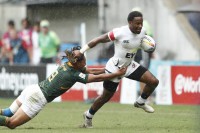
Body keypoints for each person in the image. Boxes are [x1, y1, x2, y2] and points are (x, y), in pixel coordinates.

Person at [0, 46, 127, 129]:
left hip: (32, 89)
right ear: (78, 61)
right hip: (37, 98)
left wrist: (107, 69)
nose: (86, 62)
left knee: (7, 112)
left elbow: (90, 71)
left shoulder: (69, 64)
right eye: (84, 60)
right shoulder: (72, 74)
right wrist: (116, 74)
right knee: (11, 123)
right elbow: (96, 78)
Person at [76, 11, 159, 128]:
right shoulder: (119, 32)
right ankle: (88, 116)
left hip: (130, 65)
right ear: (130, 22)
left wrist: (148, 47)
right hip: (115, 67)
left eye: (141, 23)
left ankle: (140, 102)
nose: (140, 26)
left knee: (153, 81)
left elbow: (140, 44)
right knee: (106, 97)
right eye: (137, 23)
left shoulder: (143, 32)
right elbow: (99, 39)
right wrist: (81, 51)